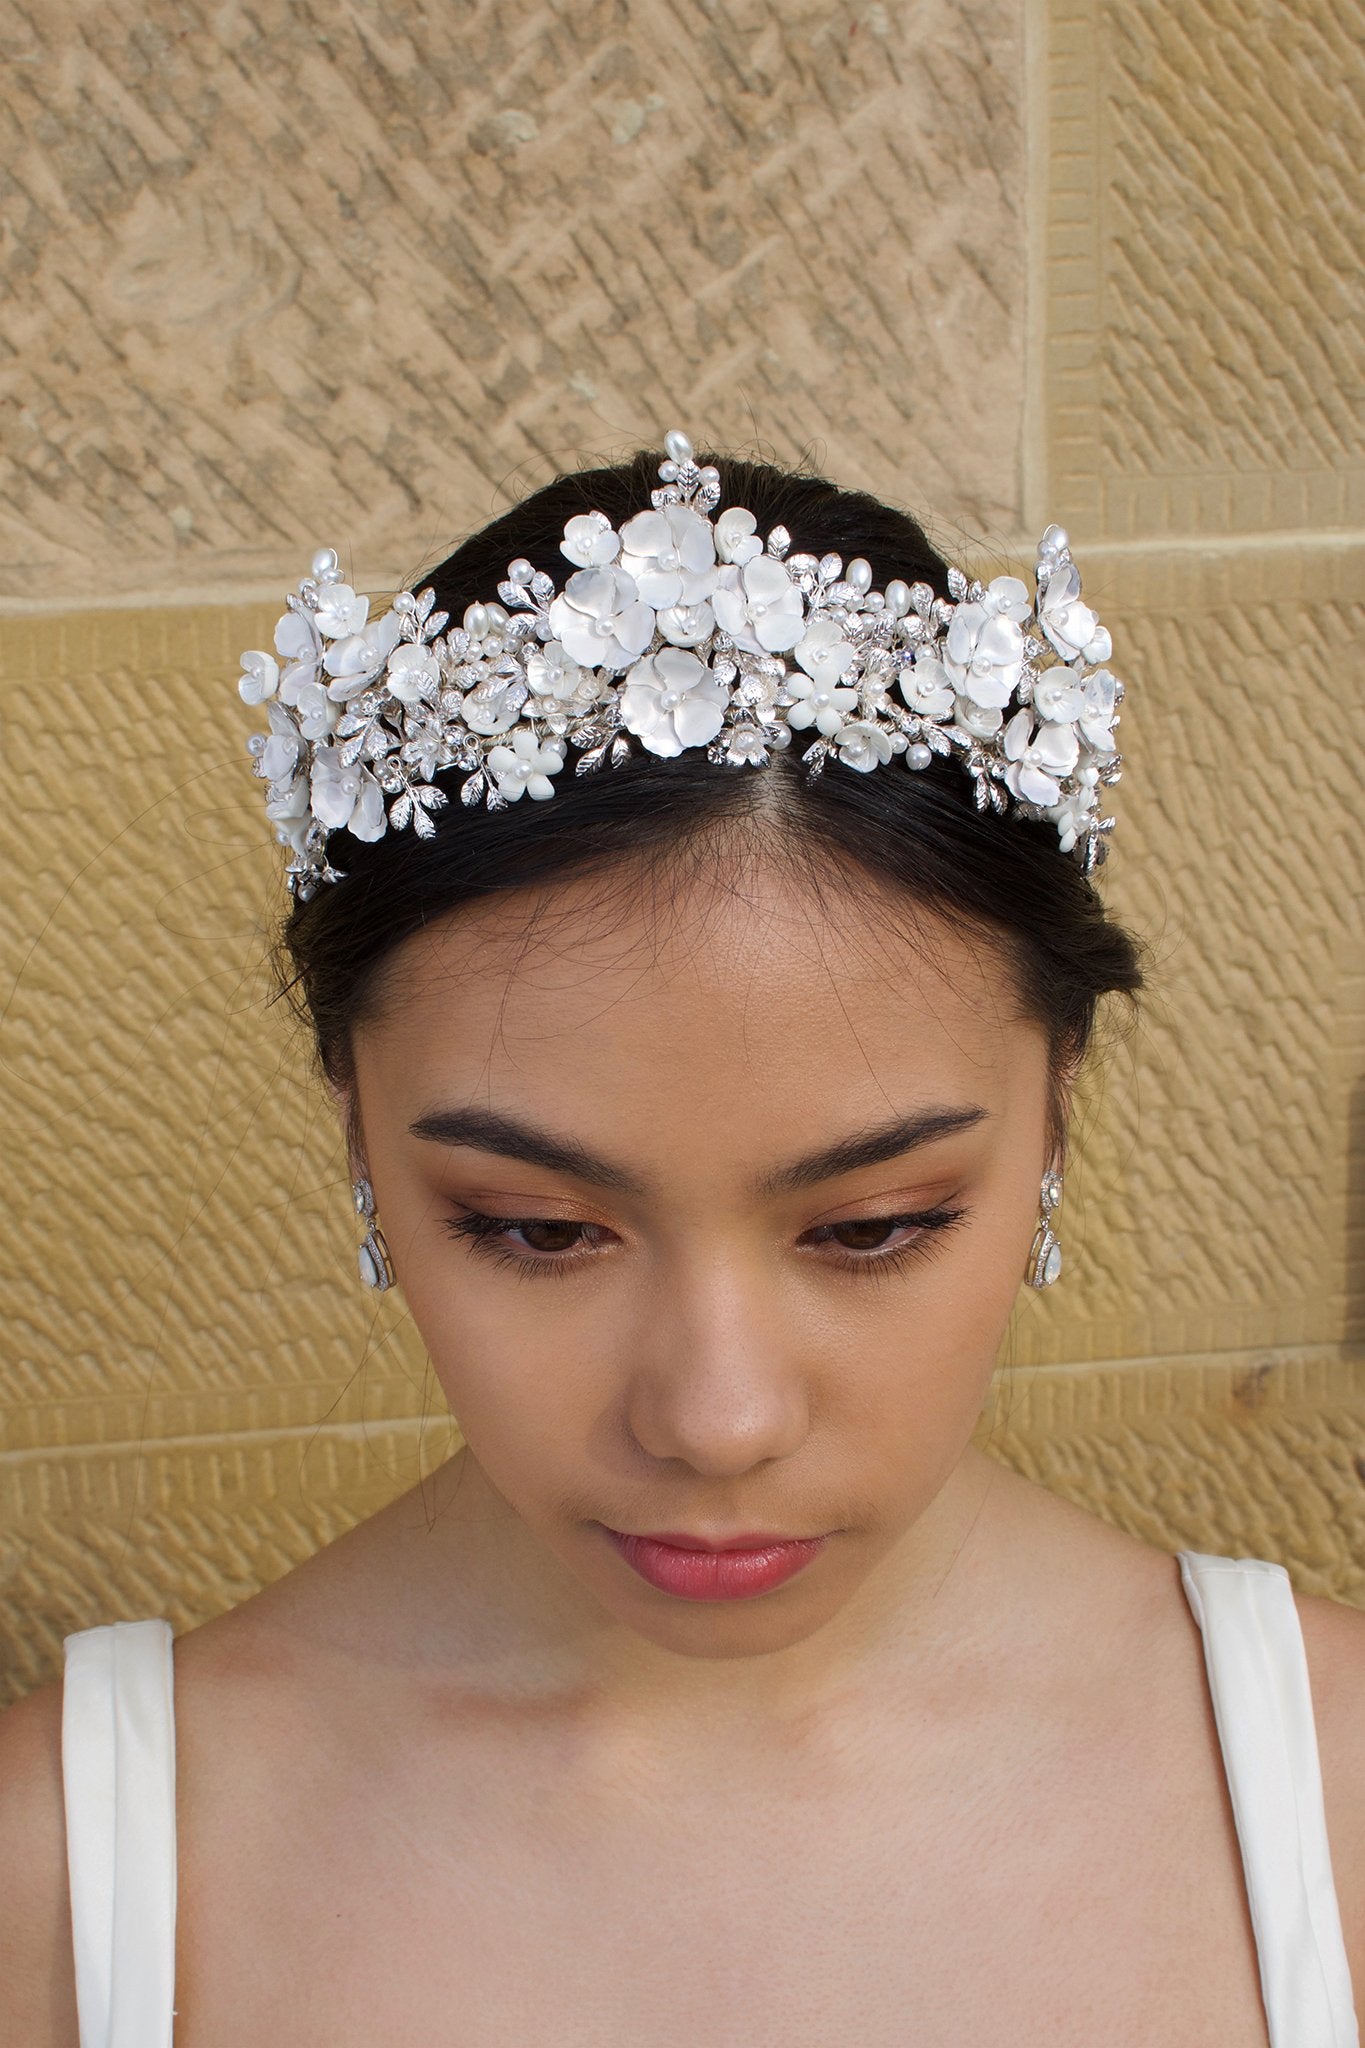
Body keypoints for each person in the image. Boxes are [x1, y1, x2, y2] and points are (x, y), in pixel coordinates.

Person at [2, 431, 1361, 2045]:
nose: (716, 1419)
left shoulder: (1331, 1793)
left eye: (872, 1228)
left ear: (1054, 1114)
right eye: (536, 1230)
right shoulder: (70, 1884)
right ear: (358, 1131)